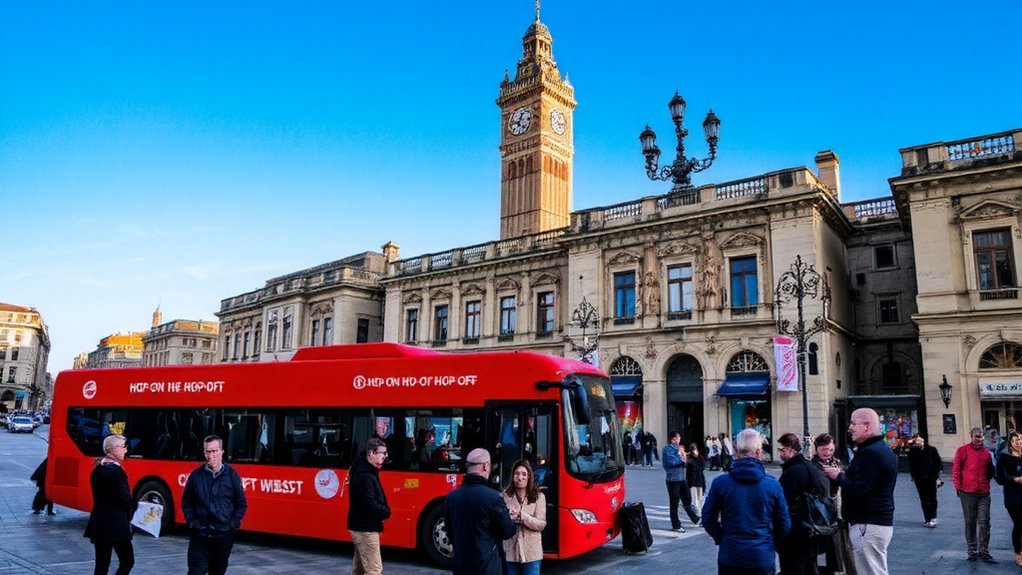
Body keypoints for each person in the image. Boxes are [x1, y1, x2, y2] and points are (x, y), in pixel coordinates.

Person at [702, 428, 790, 575]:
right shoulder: (772, 485)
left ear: (736, 453)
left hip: (731, 554)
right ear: (759, 453)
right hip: (761, 555)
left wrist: (721, 537)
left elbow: (707, 517)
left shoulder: (721, 483)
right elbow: (784, 523)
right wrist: (770, 542)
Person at [822, 408, 898, 575]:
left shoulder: (871, 453)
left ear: (866, 425)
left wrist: (838, 477)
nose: (849, 428)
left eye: (853, 423)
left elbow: (860, 488)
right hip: (875, 522)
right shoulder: (879, 449)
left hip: (868, 524)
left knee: (870, 571)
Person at [182, 435, 248, 575]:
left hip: (223, 537)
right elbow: (186, 502)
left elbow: (241, 504)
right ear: (204, 453)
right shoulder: (196, 476)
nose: (211, 455)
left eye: (214, 451)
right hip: (200, 536)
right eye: (208, 451)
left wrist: (231, 525)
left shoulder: (232, 475)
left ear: (221, 452)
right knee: (196, 571)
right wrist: (193, 523)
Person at [444, 448, 516, 575]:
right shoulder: (493, 498)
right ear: (485, 466)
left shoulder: (452, 497)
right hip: (487, 566)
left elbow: (450, 532)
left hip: (461, 566)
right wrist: (511, 518)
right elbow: (507, 531)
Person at [777, 432, 829, 575]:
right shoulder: (809, 466)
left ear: (790, 448)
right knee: (809, 568)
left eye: (782, 450)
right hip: (811, 532)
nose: (780, 454)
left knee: (794, 569)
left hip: (795, 535)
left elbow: (783, 505)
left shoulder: (792, 472)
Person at [84, 434, 134, 575]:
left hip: (99, 523)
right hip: (116, 525)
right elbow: (124, 499)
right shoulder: (116, 472)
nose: (125, 450)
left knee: (101, 564)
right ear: (111, 449)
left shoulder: (98, 468)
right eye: (123, 447)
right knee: (127, 561)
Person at [347, 437, 392, 575]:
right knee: (374, 570)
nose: (385, 456)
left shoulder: (365, 471)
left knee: (359, 570)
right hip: (365, 528)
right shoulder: (365, 475)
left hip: (362, 526)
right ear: (371, 453)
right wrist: (385, 512)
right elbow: (369, 503)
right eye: (382, 453)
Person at [952, 427, 996, 562]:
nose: (980, 439)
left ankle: (984, 550)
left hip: (983, 492)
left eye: (981, 436)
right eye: (977, 436)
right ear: (971, 437)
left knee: (984, 522)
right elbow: (956, 469)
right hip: (967, 492)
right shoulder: (962, 450)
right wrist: (958, 487)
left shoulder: (987, 453)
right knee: (970, 522)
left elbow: (991, 471)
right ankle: (972, 549)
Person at [501, 460, 547, 575]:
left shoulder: (538, 497)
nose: (520, 477)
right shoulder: (504, 496)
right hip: (510, 552)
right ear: (512, 476)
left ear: (529, 477)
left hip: (532, 553)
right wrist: (509, 518)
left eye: (524, 474)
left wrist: (523, 516)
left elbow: (541, 524)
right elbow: (499, 524)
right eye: (517, 473)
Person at [811, 433, 847, 575]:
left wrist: (839, 474)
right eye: (824, 449)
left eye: (831, 450)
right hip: (817, 510)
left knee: (836, 545)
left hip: (835, 508)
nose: (827, 453)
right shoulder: (812, 465)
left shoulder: (836, 463)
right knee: (817, 546)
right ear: (817, 448)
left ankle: (836, 570)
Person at [663, 432, 700, 531]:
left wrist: (687, 456)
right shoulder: (668, 449)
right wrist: (682, 458)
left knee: (687, 499)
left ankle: (695, 518)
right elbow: (671, 462)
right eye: (678, 438)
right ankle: (676, 525)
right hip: (673, 480)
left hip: (682, 478)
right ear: (673, 439)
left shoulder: (680, 449)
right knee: (674, 503)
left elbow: (685, 460)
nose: (679, 440)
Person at [907, 434, 943, 528]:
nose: (919, 442)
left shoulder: (932, 450)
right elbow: (911, 464)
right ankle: (927, 519)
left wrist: (937, 476)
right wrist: (914, 475)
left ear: (923, 440)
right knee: (924, 499)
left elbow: (938, 462)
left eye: (920, 440)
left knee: (932, 498)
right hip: (919, 478)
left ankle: (933, 516)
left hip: (931, 477)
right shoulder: (913, 451)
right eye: (917, 440)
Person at [997, 431, 1022, 566]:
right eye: (1015, 441)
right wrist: (1015, 479)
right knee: (1019, 524)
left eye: (1020, 440)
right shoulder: (1004, 457)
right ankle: (1019, 553)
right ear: (1010, 444)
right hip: (1013, 497)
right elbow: (999, 478)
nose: (1019, 443)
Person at [687, 442, 707, 516]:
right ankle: (697, 514)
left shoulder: (700, 458)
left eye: (696, 449)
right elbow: (689, 473)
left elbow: (702, 468)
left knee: (700, 498)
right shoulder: (690, 460)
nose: (695, 451)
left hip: (700, 481)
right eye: (694, 450)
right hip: (693, 482)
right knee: (695, 500)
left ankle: (699, 513)